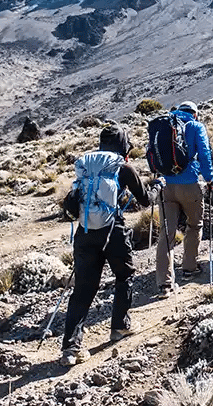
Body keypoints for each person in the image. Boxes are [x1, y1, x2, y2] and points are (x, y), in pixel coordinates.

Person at [60, 124, 149, 364]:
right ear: (123, 144)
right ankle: (120, 325)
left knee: (84, 288)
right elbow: (145, 200)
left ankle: (71, 347)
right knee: (125, 274)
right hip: (113, 230)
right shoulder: (122, 166)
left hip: (85, 231)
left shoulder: (86, 166)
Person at [157, 101, 213, 294]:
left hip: (166, 185)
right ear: (195, 114)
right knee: (194, 224)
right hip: (189, 183)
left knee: (167, 232)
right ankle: (189, 268)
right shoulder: (196, 126)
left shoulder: (165, 125)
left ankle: (164, 282)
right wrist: (209, 179)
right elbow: (205, 153)